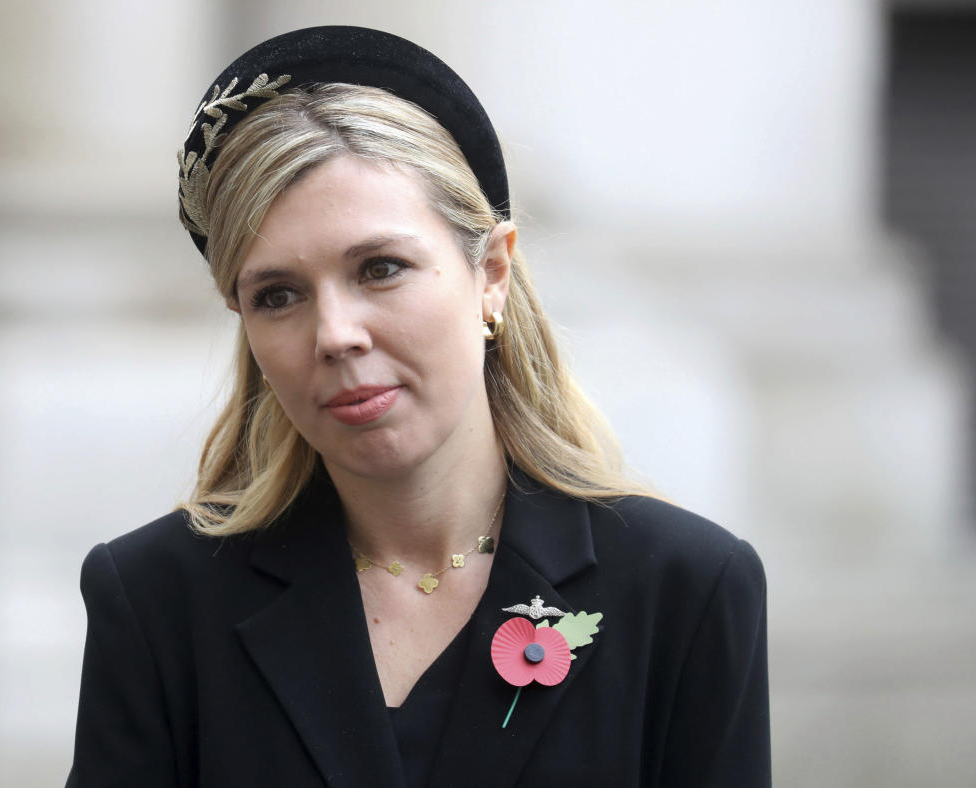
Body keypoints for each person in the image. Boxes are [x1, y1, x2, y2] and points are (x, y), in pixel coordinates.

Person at [66, 25, 769, 788]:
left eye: (380, 268)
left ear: (491, 272)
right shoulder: (159, 602)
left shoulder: (683, 590)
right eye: (277, 295)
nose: (334, 334)